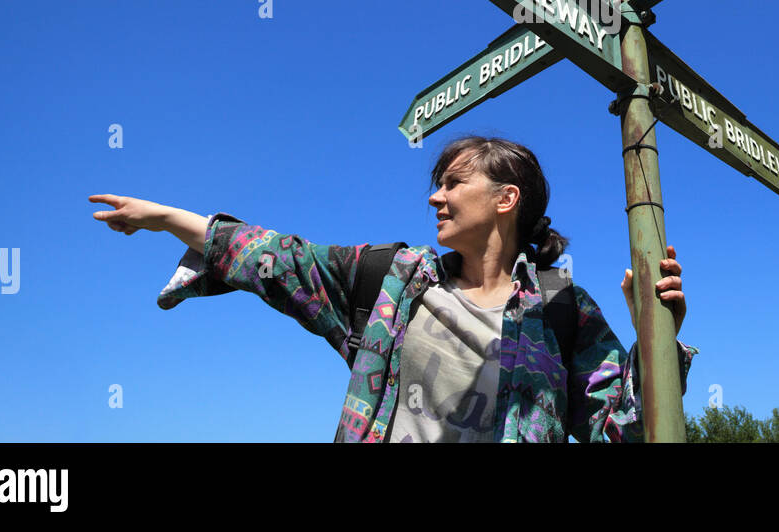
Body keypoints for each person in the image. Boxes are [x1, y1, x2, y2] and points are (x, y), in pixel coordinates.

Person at [90, 135, 696, 442]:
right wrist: (166, 217)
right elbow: (283, 258)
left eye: (455, 183)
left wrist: (656, 344)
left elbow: (623, 431)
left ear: (506, 199)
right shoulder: (394, 281)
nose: (436, 196)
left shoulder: (564, 309)